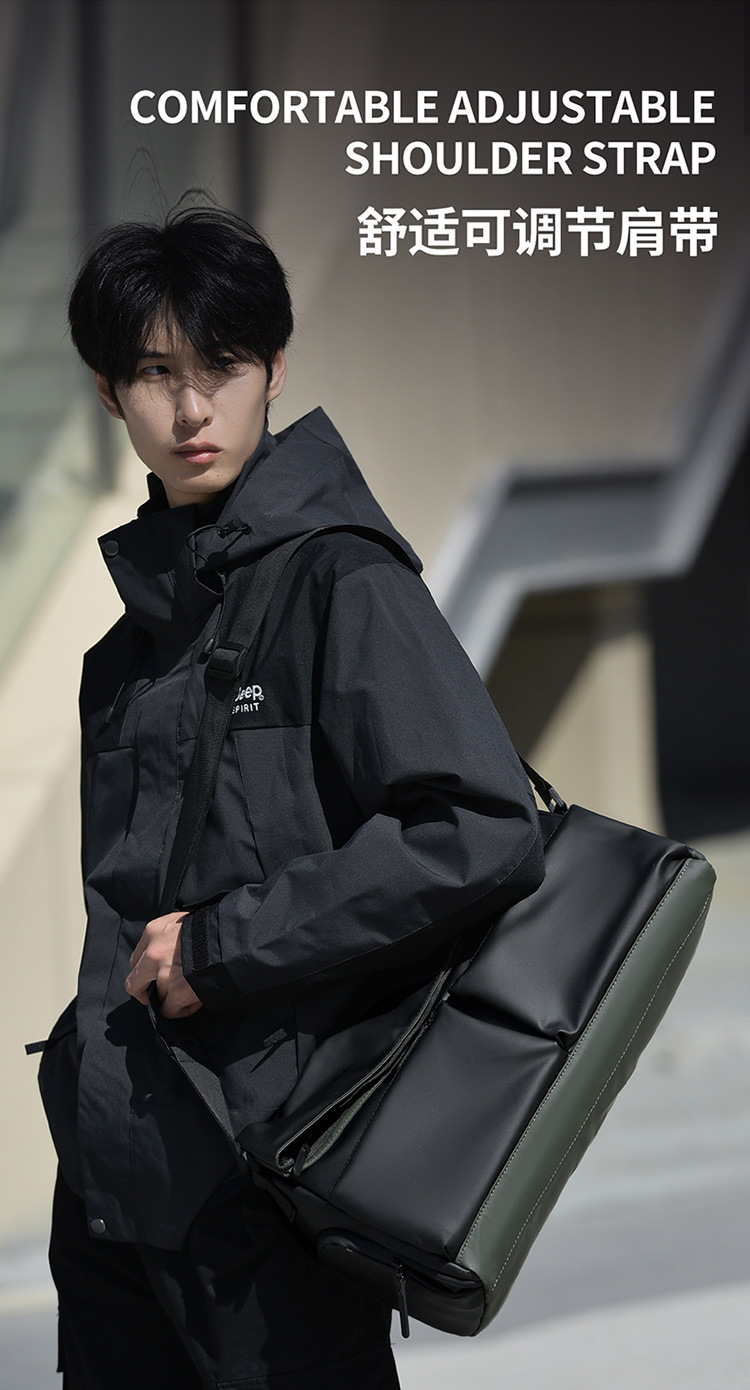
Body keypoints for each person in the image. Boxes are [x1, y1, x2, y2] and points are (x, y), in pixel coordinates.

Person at [36, 204, 545, 1389]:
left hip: (268, 1179)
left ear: (274, 368)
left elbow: (478, 828)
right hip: (115, 1176)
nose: (192, 408)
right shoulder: (127, 651)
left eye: (221, 365)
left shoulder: (342, 581)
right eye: (155, 374)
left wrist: (224, 945)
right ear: (109, 394)